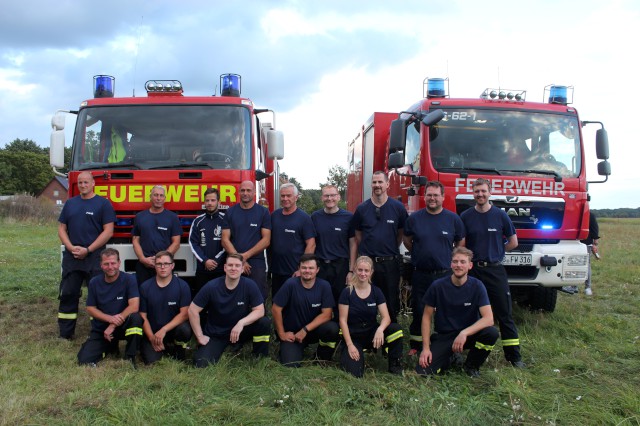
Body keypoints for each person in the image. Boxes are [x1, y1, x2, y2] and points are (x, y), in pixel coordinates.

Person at [460, 178, 524, 368]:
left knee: (504, 313)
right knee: (469, 312)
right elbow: (462, 246)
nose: (480, 194)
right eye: (477, 191)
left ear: (490, 192)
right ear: (473, 193)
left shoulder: (500, 216)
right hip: (473, 271)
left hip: (495, 270)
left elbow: (513, 242)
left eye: (483, 191)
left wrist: (498, 250)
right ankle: (468, 353)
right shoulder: (466, 216)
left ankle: (514, 357)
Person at [416, 247, 499, 378]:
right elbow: (426, 317)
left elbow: (488, 319)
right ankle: (451, 357)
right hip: (445, 336)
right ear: (451, 264)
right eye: (455, 261)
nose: (458, 265)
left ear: (470, 265)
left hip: (468, 335)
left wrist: (464, 333)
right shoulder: (438, 286)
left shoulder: (477, 286)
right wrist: (425, 349)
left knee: (491, 333)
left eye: (462, 262)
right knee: (423, 372)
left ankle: (471, 366)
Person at [403, 181, 465, 354]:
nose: (432, 198)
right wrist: (420, 252)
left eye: (436, 195)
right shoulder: (414, 219)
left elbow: (460, 242)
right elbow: (407, 241)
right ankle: (416, 346)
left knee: (446, 311)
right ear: (424, 197)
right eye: (429, 195)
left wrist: (451, 257)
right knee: (419, 309)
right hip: (421, 273)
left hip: (444, 274)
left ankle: (443, 345)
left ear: (443, 197)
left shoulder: (453, 219)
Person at [57, 171, 116, 340]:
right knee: (68, 293)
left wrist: (88, 250)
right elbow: (62, 229)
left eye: (86, 182)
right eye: (80, 182)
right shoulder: (70, 204)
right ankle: (65, 334)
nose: (83, 185)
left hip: (95, 257)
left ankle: (98, 332)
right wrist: (71, 247)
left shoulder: (103, 204)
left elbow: (108, 231)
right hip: (72, 257)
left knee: (97, 295)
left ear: (93, 184)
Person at [189, 254, 271, 367]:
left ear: (242, 269)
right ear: (225, 268)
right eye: (230, 265)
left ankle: (259, 356)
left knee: (264, 322)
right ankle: (229, 346)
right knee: (201, 363)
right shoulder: (212, 286)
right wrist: (199, 336)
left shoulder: (249, 285)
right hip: (217, 334)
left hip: (240, 331)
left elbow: (260, 310)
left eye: (237, 266)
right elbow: (193, 310)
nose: (233, 268)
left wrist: (241, 323)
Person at [352, 171, 408, 322]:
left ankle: (390, 338)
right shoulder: (362, 209)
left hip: (390, 264)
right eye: (374, 182)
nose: (377, 185)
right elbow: (358, 235)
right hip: (367, 264)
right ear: (371, 184)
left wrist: (387, 250)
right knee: (364, 300)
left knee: (391, 302)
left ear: (387, 184)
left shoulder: (398, 208)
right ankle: (367, 337)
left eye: (380, 182)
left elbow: (400, 234)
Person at [338, 256, 404, 377]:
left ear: (371, 272)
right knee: (354, 374)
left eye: (366, 271)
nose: (363, 273)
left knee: (395, 329)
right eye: (360, 270)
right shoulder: (347, 292)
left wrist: (380, 329)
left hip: (371, 333)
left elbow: (386, 318)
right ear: (355, 270)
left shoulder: (376, 291)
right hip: (354, 336)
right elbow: (342, 321)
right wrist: (350, 345)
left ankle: (395, 365)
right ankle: (348, 354)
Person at [77, 248, 143, 367]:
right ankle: (110, 347)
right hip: (103, 328)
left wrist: (113, 324)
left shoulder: (129, 279)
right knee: (84, 360)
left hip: (123, 327)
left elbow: (134, 306)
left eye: (113, 263)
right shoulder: (94, 282)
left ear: (119, 263)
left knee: (136, 318)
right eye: (106, 264)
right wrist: (109, 319)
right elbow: (90, 308)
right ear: (101, 265)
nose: (110, 267)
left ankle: (130, 356)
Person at [272, 254, 340, 367]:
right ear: (299, 269)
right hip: (293, 334)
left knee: (332, 328)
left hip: (312, 331)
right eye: (304, 268)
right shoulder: (290, 284)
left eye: (311, 268)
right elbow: (275, 309)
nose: (307, 271)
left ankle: (322, 357)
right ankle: (289, 350)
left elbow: (327, 315)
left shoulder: (324, 286)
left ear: (317, 270)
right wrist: (282, 333)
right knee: (290, 364)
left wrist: (305, 330)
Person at [139, 251, 193, 365]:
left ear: (172, 265)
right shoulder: (145, 287)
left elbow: (184, 314)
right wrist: (151, 338)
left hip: (172, 331)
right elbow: (142, 316)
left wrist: (164, 330)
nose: (162, 267)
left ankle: (179, 350)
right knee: (151, 362)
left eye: (166, 264)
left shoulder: (182, 286)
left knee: (184, 329)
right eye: (159, 264)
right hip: (153, 333)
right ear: (154, 265)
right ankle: (161, 347)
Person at [311, 185, 357, 317]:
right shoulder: (315, 217)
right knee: (320, 302)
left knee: (340, 302)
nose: (329, 198)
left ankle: (340, 332)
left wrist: (351, 270)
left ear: (338, 197)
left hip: (340, 266)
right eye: (326, 195)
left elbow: (353, 244)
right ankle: (322, 332)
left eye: (332, 195)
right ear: (322, 198)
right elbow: (311, 243)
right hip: (320, 267)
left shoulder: (348, 217)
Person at [221, 181, 271, 299]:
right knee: (234, 296)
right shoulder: (230, 212)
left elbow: (266, 240)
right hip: (233, 262)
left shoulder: (263, 212)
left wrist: (245, 256)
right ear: (238, 192)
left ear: (254, 192)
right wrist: (239, 259)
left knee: (257, 297)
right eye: (242, 190)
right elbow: (224, 240)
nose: (245, 193)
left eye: (248, 190)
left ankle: (259, 317)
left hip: (256, 262)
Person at [270, 183, 316, 298]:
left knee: (294, 304)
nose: (285, 199)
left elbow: (311, 244)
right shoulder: (274, 216)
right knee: (277, 302)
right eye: (283, 196)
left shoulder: (304, 218)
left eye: (289, 196)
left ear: (296, 197)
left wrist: (302, 269)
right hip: (276, 271)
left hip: (294, 272)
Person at [132, 185, 182, 284]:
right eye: (155, 195)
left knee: (166, 293)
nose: (158, 198)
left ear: (165, 198)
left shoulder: (172, 217)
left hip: (164, 266)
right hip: (144, 265)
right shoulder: (139, 217)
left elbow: (176, 243)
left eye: (161, 195)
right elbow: (135, 241)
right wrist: (142, 259)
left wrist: (161, 260)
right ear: (150, 197)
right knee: (143, 293)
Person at [189, 187, 226, 296]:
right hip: (202, 269)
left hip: (221, 269)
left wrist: (216, 260)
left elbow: (229, 243)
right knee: (201, 300)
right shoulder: (197, 221)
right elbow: (193, 243)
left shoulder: (225, 219)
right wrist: (205, 261)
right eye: (207, 200)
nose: (209, 203)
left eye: (213, 200)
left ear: (219, 202)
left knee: (220, 299)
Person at [581, 213, 600, 296]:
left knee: (586, 265)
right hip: (573, 243)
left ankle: (588, 287)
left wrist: (595, 244)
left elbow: (594, 228)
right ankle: (573, 285)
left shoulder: (590, 215)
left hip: (586, 243)